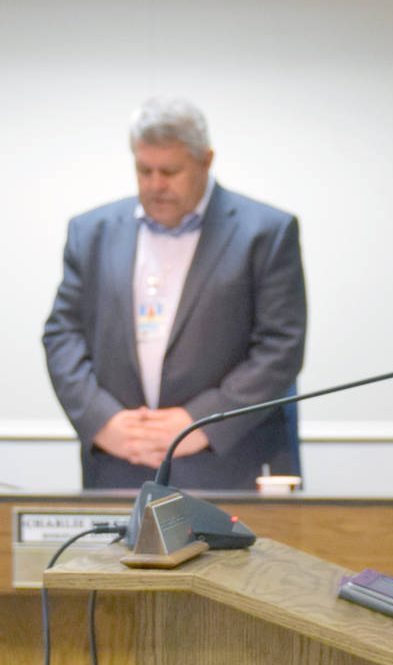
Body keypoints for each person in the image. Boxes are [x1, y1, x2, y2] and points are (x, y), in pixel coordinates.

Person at [42, 97, 307, 489]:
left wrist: (201, 420)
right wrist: (102, 421)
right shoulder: (92, 233)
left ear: (206, 160)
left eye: (169, 171)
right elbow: (62, 335)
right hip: (120, 464)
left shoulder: (265, 232)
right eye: (143, 170)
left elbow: (280, 347)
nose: (155, 184)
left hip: (224, 462)